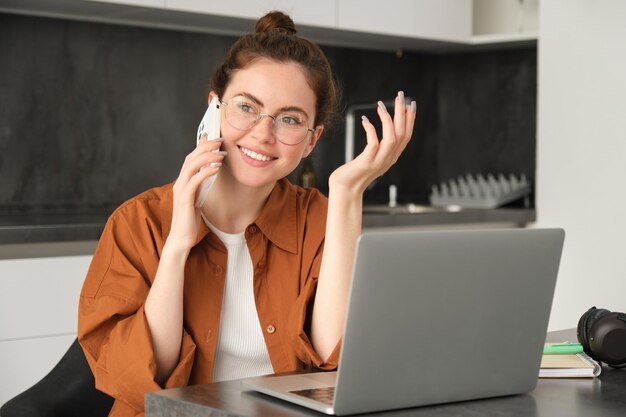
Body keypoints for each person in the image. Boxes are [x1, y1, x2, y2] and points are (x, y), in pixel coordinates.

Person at [78, 10, 416, 417]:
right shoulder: (139, 222)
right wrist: (178, 246)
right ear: (214, 107)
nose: (262, 133)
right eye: (246, 107)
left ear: (311, 141)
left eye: (290, 119)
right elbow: (149, 378)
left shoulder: (322, 219)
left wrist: (347, 193)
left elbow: (335, 363)